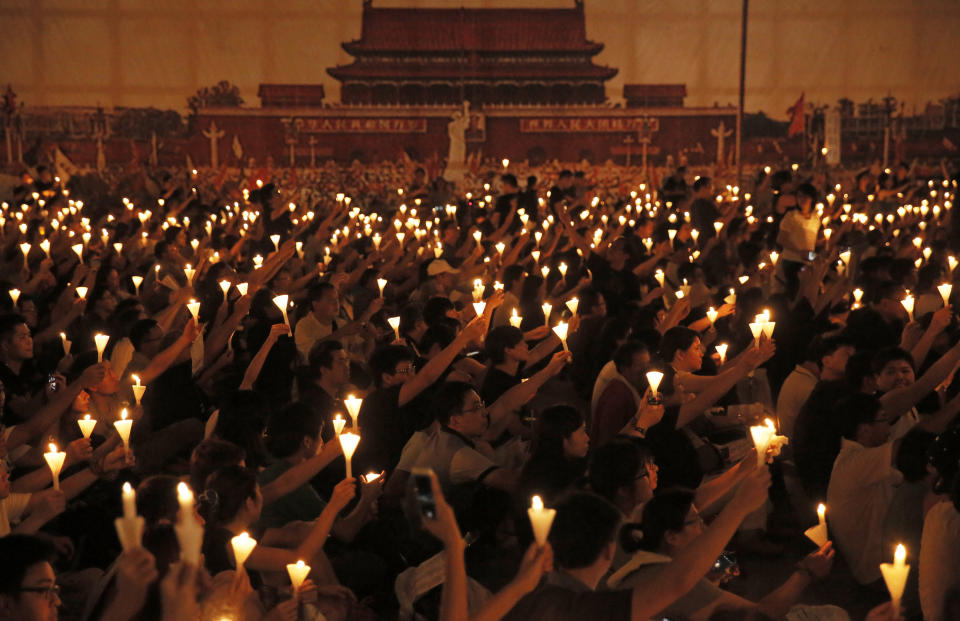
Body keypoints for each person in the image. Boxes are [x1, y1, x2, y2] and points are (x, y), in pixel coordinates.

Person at [501, 466, 771, 621]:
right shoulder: (583, 608)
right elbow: (678, 581)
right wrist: (738, 508)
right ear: (609, 550)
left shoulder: (526, 598)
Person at [611, 488, 836, 621]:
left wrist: (718, 569)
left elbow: (723, 564)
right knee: (832, 614)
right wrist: (805, 572)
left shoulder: (645, 552)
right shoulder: (671, 581)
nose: (705, 528)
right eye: (696, 522)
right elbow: (763, 612)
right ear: (671, 536)